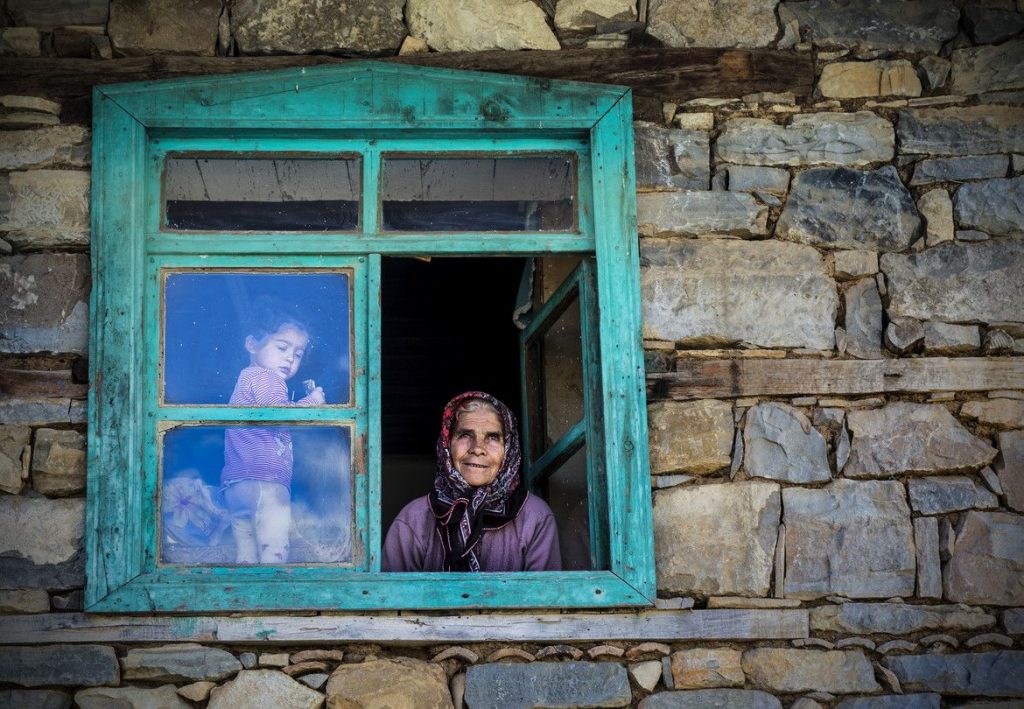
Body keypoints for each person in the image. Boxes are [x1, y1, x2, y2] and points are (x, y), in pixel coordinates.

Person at [382, 391, 561, 572]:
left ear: (509, 450)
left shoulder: (534, 518)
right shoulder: (413, 520)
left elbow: (545, 599)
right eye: (465, 435)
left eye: (492, 437)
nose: (477, 449)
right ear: (447, 444)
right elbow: (392, 598)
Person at [221, 301, 326, 564]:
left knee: (246, 558)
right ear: (252, 344)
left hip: (237, 483)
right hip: (265, 484)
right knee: (274, 555)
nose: (290, 358)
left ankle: (244, 602)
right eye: (282, 347)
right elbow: (281, 416)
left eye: (298, 353)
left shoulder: (247, 377)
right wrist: (313, 402)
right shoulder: (267, 378)